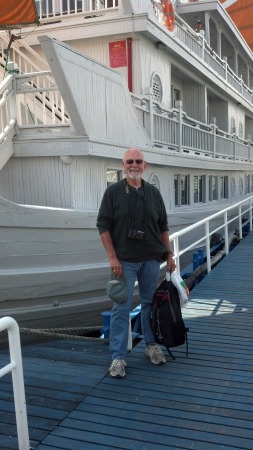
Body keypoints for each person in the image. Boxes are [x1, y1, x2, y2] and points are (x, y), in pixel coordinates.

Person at [96, 148, 176, 378]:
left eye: (138, 161)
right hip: (124, 262)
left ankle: (151, 345)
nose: (134, 165)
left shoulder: (154, 193)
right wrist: (112, 256)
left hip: (151, 259)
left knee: (150, 304)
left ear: (145, 165)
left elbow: (163, 226)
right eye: (130, 161)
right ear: (123, 165)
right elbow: (103, 226)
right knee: (121, 307)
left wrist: (169, 254)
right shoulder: (112, 193)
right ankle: (118, 357)